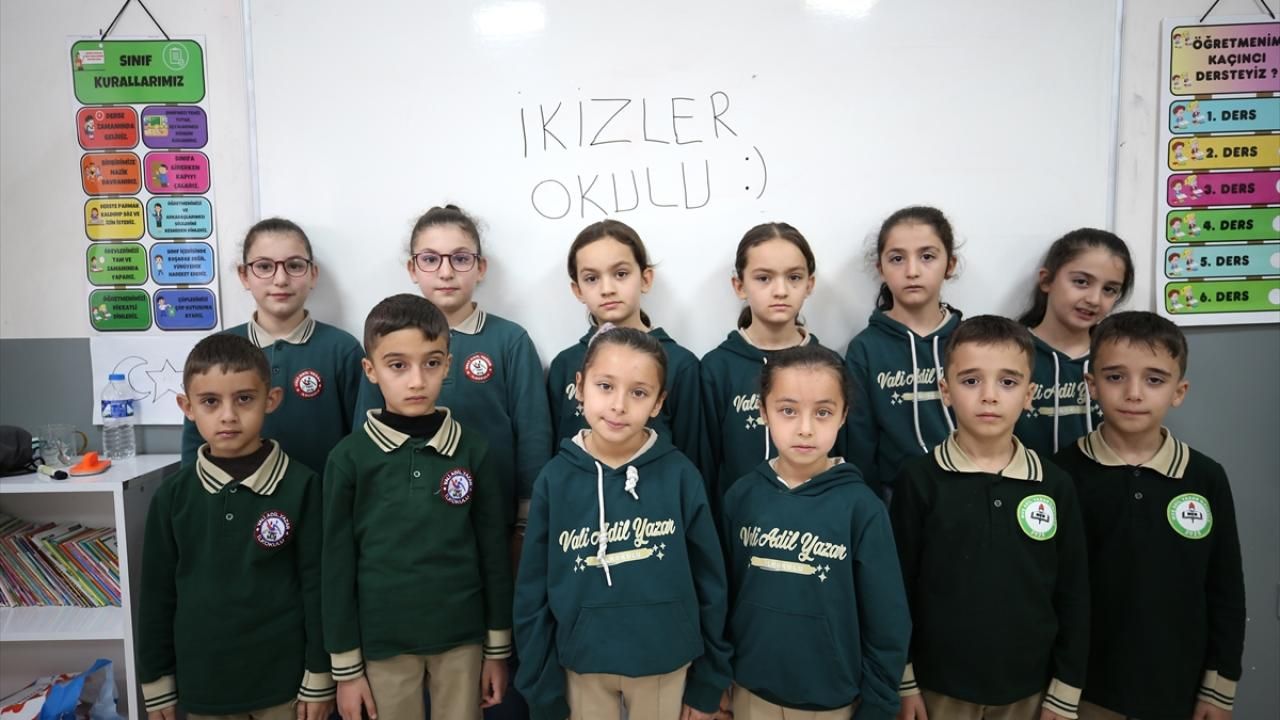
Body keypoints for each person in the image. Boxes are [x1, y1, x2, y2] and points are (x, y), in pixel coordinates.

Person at [515, 326, 731, 720]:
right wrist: (542, 693)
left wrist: (709, 680)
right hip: (581, 667)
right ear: (580, 387)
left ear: (658, 402)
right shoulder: (554, 480)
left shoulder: (681, 476)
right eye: (605, 386)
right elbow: (532, 594)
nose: (618, 405)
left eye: (639, 392)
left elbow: (710, 583)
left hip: (665, 664)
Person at [325, 294, 513, 720]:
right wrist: (347, 670)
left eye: (431, 363)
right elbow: (335, 568)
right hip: (383, 644)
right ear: (370, 370)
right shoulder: (348, 458)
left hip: (463, 639)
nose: (416, 380)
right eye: (398, 365)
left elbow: (494, 557)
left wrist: (497, 650)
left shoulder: (473, 450)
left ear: (448, 365)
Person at [892, 315, 1089, 720]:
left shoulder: (1055, 484)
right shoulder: (919, 480)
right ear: (945, 390)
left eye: (1008, 382)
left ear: (1030, 394)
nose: (989, 396)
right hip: (937, 688)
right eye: (970, 381)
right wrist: (904, 679)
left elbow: (1074, 594)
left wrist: (1065, 690)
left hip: (1030, 690)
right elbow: (898, 590)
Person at [1054, 312, 1245, 720]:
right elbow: (1049, 593)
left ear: (1179, 391)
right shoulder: (1060, 476)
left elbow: (1226, 590)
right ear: (1091, 385)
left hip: (1178, 693)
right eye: (1115, 377)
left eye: (1154, 379)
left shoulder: (1205, 477)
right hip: (1083, 694)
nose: (1134, 393)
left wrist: (1219, 690)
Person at [137, 333, 333, 720]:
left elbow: (318, 588)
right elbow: (156, 597)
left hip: (285, 686)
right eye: (210, 402)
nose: (228, 415)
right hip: (202, 686)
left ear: (270, 400)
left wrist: (320, 672)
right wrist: (156, 681)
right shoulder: (172, 497)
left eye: (244, 399)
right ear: (187, 407)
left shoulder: (303, 486)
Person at [721, 344, 910, 720]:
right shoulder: (742, 497)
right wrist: (717, 677)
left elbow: (887, 620)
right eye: (788, 411)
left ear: (843, 415)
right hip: (749, 691)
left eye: (822, 412)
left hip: (833, 700)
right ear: (763, 412)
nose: (805, 428)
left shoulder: (862, 508)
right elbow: (722, 597)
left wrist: (879, 704)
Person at [180, 218, 363, 477]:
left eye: (294, 266)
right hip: (233, 498)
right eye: (264, 266)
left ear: (313, 274)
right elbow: (194, 447)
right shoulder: (217, 351)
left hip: (323, 498)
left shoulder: (342, 349)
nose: (280, 279)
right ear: (244, 275)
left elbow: (362, 441)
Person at [547, 219, 707, 472]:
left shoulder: (680, 363)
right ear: (577, 290)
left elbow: (694, 459)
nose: (607, 289)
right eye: (591, 278)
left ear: (645, 278)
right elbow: (557, 456)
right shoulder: (564, 365)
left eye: (620, 274)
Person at [701, 222, 826, 503]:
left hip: (816, 519)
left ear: (809, 284)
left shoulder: (830, 366)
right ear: (739, 285)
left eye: (793, 277)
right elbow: (706, 462)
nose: (780, 290)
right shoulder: (717, 368)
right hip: (739, 519)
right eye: (764, 278)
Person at [844, 206, 962, 501]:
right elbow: (859, 440)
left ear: (950, 264)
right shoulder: (865, 348)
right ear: (880, 268)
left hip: (969, 487)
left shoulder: (972, 342)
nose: (912, 271)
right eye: (897, 259)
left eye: (927, 256)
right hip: (895, 497)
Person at [1015, 229, 1134, 456]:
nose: (1094, 299)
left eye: (1109, 290)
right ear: (1046, 280)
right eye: (1081, 282)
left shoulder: (1117, 359)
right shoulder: (1010, 353)